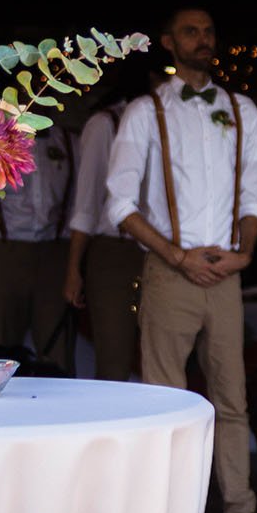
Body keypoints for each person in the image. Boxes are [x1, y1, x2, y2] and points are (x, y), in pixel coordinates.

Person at [105, 7, 257, 513]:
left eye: (208, 31)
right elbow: (120, 205)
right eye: (190, 32)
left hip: (224, 274)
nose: (202, 40)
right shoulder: (143, 112)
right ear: (167, 43)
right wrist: (176, 255)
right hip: (169, 273)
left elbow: (255, 189)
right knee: (165, 400)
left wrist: (245, 252)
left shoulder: (240, 108)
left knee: (233, 400)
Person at [64, 56, 156, 381]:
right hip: (115, 250)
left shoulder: (171, 122)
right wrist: (74, 269)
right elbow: (86, 202)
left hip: (163, 253)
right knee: (114, 357)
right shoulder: (105, 123)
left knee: (160, 360)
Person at [0, 122, 77, 372]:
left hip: (53, 250)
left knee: (56, 349)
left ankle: (57, 409)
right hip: (1, 249)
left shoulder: (67, 140)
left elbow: (78, 202)